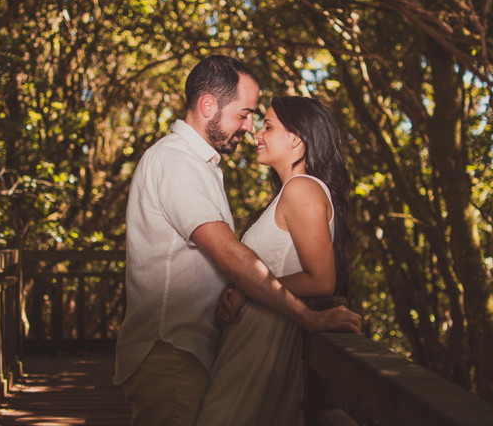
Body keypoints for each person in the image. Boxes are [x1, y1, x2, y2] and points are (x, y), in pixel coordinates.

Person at [112, 55, 361, 426]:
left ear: (297, 140)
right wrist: (307, 317)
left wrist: (244, 293)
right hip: (174, 348)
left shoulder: (206, 168)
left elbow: (304, 272)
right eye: (245, 114)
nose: (249, 128)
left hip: (203, 349)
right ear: (208, 105)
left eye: (262, 122)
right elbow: (227, 252)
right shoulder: (176, 161)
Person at [194, 96, 351, 426]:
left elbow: (322, 280)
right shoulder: (289, 191)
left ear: (296, 138)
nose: (256, 134)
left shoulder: (302, 189)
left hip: (265, 340)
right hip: (250, 337)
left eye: (268, 126)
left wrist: (247, 291)